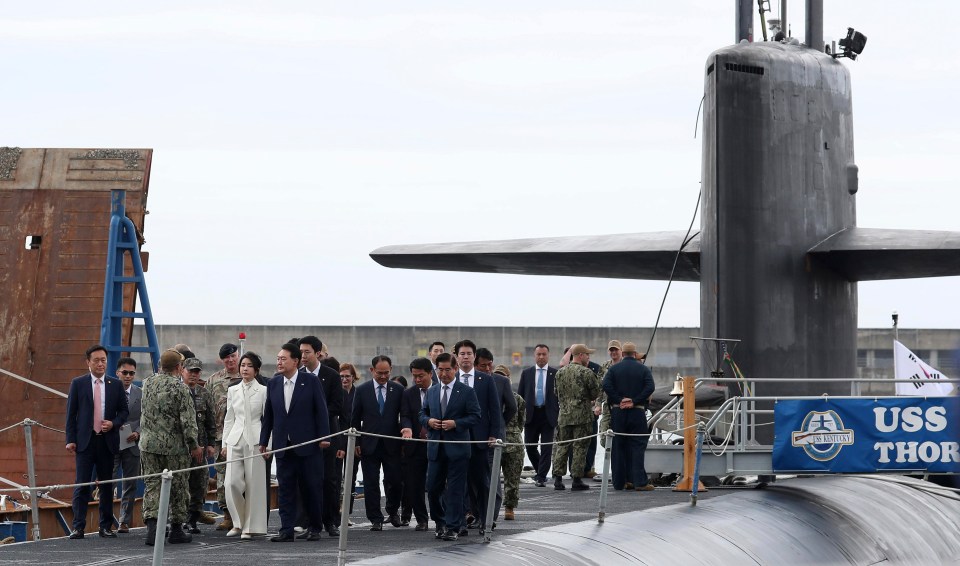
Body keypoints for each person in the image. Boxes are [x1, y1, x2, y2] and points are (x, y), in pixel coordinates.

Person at [259, 343, 329, 542]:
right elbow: (269, 416)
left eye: (284, 359)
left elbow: (321, 411)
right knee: (286, 489)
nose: (279, 362)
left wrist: (324, 437)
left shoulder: (311, 381)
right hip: (283, 446)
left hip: (308, 445)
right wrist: (264, 441)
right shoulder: (273, 383)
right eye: (278, 358)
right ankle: (286, 529)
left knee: (311, 488)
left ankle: (315, 527)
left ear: (296, 361)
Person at [65, 345, 129, 539]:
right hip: (85, 442)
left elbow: (124, 412)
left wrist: (114, 423)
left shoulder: (115, 384)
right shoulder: (78, 383)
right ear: (88, 362)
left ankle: (105, 526)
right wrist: (70, 440)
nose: (101, 364)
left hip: (107, 441)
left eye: (103, 360)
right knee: (82, 484)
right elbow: (71, 414)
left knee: (107, 486)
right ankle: (78, 527)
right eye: (97, 360)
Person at [140, 349, 202, 546]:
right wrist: (194, 445)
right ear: (179, 367)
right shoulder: (181, 389)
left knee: (152, 485)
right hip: (174, 447)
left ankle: (152, 529)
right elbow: (188, 422)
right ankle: (176, 530)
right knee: (178, 487)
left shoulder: (147, 383)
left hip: (148, 445)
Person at [420, 353, 481, 541]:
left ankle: (453, 527)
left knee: (455, 490)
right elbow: (422, 413)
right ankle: (440, 521)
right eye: (440, 369)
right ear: (435, 370)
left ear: (455, 369)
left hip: (458, 449)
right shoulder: (432, 391)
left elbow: (475, 416)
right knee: (433, 487)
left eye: (448, 369)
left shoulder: (466, 391)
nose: (444, 373)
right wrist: (428, 421)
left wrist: (456, 423)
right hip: (436, 448)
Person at [351, 355, 405, 531]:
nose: (383, 376)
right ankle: (375, 518)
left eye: (386, 373)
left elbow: (403, 416)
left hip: (392, 443)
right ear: (372, 370)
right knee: (371, 482)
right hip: (369, 444)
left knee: (395, 480)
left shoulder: (398, 390)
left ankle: (393, 510)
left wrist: (405, 432)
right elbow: (354, 419)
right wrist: (357, 442)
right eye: (380, 373)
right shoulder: (362, 390)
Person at [454, 339, 502, 534]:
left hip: (481, 439)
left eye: (469, 354)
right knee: (459, 483)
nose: (465, 357)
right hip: (457, 438)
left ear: (474, 357)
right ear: (456, 357)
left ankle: (484, 519)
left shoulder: (486, 379)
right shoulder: (450, 378)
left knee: (482, 482)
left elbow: (495, 410)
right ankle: (461, 520)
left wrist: (493, 434)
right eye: (462, 354)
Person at [298, 336, 343, 537]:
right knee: (306, 480)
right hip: (304, 436)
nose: (303, 356)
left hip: (327, 434)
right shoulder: (297, 375)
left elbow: (337, 405)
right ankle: (308, 521)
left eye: (307, 352)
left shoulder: (331, 375)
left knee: (328, 480)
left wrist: (317, 417)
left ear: (318, 353)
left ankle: (330, 520)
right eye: (300, 352)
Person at [222, 352, 268, 539]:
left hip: (256, 440)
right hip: (235, 438)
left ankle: (250, 527)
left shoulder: (264, 390)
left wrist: (268, 444)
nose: (244, 369)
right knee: (231, 483)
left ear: (256, 370)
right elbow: (229, 418)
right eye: (243, 365)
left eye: (249, 365)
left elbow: (268, 420)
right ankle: (238, 522)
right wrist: (225, 442)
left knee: (254, 485)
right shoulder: (232, 390)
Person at [602, 342, 656, 492]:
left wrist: (619, 399)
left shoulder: (613, 369)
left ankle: (619, 483)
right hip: (637, 412)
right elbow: (650, 387)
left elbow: (606, 385)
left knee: (618, 446)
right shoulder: (643, 369)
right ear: (634, 354)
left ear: (623, 353)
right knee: (638, 446)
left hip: (618, 412)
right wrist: (635, 400)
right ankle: (639, 481)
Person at [473, 348, 517, 524]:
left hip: (494, 439)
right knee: (475, 480)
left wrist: (499, 424)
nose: (487, 369)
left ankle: (491, 516)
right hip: (474, 437)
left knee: (492, 478)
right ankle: (477, 515)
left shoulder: (501, 381)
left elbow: (512, 407)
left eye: (490, 365)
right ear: (476, 365)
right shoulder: (471, 382)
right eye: (483, 366)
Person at [552, 345, 601, 491]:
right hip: (582, 417)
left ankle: (558, 479)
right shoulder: (586, 373)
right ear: (580, 355)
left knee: (562, 446)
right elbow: (595, 393)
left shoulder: (560, 373)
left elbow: (556, 392)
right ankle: (576, 479)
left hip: (564, 416)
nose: (588, 358)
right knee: (580, 447)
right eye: (587, 355)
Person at [207, 343, 241, 531]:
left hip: (242, 436)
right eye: (226, 357)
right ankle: (227, 514)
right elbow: (208, 410)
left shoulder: (248, 376)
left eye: (233, 356)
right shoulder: (214, 380)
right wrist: (210, 440)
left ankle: (243, 514)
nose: (230, 360)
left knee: (243, 476)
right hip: (220, 438)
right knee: (223, 477)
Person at [182, 357, 217, 534]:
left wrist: (211, 443)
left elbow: (211, 421)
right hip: (181, 448)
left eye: (197, 372)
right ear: (182, 371)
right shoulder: (177, 391)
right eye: (190, 371)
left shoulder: (204, 394)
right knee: (181, 484)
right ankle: (179, 518)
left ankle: (193, 518)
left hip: (201, 448)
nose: (193, 375)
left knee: (200, 483)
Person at [518, 344, 559, 487]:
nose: (541, 357)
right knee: (530, 446)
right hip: (531, 414)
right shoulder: (526, 373)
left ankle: (541, 476)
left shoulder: (555, 373)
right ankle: (540, 470)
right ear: (534, 356)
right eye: (538, 354)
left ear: (548, 355)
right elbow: (520, 396)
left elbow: (559, 396)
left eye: (544, 354)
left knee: (546, 447)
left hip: (548, 415)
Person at [399, 357, 433, 531]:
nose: (418, 380)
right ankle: (422, 519)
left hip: (436, 443)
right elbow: (405, 415)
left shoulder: (439, 391)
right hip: (415, 445)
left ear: (430, 373)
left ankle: (440, 517)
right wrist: (407, 428)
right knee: (414, 483)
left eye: (421, 376)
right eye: (414, 376)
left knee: (437, 483)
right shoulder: (408, 393)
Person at [113, 357, 141, 534]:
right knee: (108, 480)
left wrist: (138, 432)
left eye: (131, 373)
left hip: (133, 443)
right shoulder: (109, 392)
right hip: (113, 442)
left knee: (130, 483)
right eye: (125, 372)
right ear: (118, 373)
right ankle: (106, 519)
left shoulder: (141, 393)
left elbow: (146, 417)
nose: (128, 376)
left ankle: (124, 521)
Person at [493, 364, 525, 521]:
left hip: (513, 442)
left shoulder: (518, 399)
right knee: (491, 479)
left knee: (512, 479)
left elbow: (521, 422)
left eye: (503, 376)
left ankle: (509, 507)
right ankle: (490, 508)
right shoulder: (490, 397)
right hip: (495, 442)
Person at [339, 363, 361, 517]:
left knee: (351, 477)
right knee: (335, 478)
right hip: (338, 439)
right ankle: (334, 511)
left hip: (354, 440)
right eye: (342, 376)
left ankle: (347, 512)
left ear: (353, 377)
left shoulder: (358, 394)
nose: (345, 379)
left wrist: (358, 443)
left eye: (347, 376)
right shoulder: (336, 394)